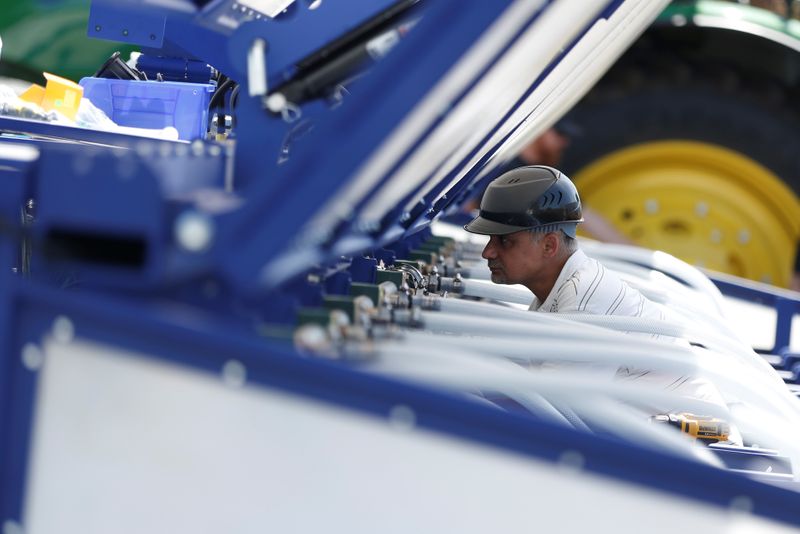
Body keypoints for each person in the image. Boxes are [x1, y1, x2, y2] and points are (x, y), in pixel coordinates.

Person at [463, 164, 660, 318]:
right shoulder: (561, 291)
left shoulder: (582, 304)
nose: (487, 252)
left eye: (505, 241)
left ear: (549, 246)